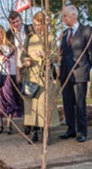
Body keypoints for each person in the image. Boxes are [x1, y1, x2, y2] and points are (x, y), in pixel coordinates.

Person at [58, 5, 92, 143]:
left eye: (65, 16)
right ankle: (71, 129)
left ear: (73, 15)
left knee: (80, 103)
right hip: (65, 74)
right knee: (67, 103)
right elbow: (61, 54)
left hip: (79, 73)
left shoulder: (86, 31)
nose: (62, 19)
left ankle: (82, 131)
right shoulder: (64, 34)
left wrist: (85, 68)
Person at [22, 11, 60, 143]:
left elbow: (55, 56)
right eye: (35, 24)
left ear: (45, 25)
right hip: (31, 75)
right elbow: (22, 56)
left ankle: (46, 132)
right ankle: (34, 132)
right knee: (32, 105)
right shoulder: (29, 38)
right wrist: (25, 61)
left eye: (40, 24)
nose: (37, 27)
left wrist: (44, 55)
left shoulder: (50, 38)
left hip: (44, 76)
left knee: (44, 105)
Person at [0, 24, 23, 135]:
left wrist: (17, 73)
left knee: (9, 98)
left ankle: (9, 124)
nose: (0, 34)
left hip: (9, 74)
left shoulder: (11, 47)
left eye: (1, 32)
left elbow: (16, 61)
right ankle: (0, 124)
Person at [6, 10, 34, 134]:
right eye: (13, 23)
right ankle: (27, 123)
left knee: (33, 94)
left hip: (32, 64)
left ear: (21, 20)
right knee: (23, 95)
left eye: (18, 21)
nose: (16, 24)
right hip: (18, 66)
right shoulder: (9, 34)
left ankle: (35, 123)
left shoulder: (30, 29)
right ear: (10, 24)